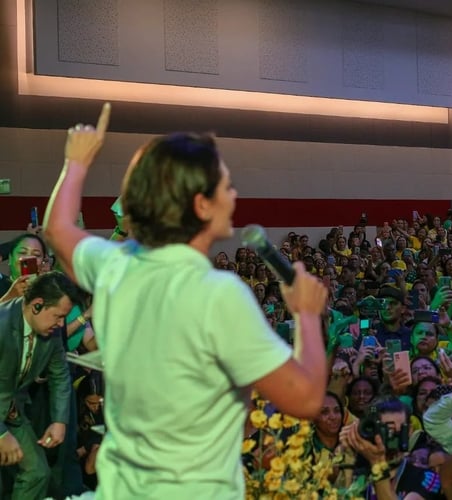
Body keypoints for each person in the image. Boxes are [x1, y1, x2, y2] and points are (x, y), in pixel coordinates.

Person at [42, 103, 329, 498]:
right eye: (226, 186)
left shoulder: (115, 266)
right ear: (201, 204)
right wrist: (307, 315)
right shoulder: (218, 295)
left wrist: (76, 162)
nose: (234, 194)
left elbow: (57, 231)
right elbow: (308, 397)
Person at [0, 271, 76, 499]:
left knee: (37, 473)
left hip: (9, 408)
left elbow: (60, 374)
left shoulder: (51, 332)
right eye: (57, 316)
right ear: (36, 305)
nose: (61, 324)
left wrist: (59, 421)